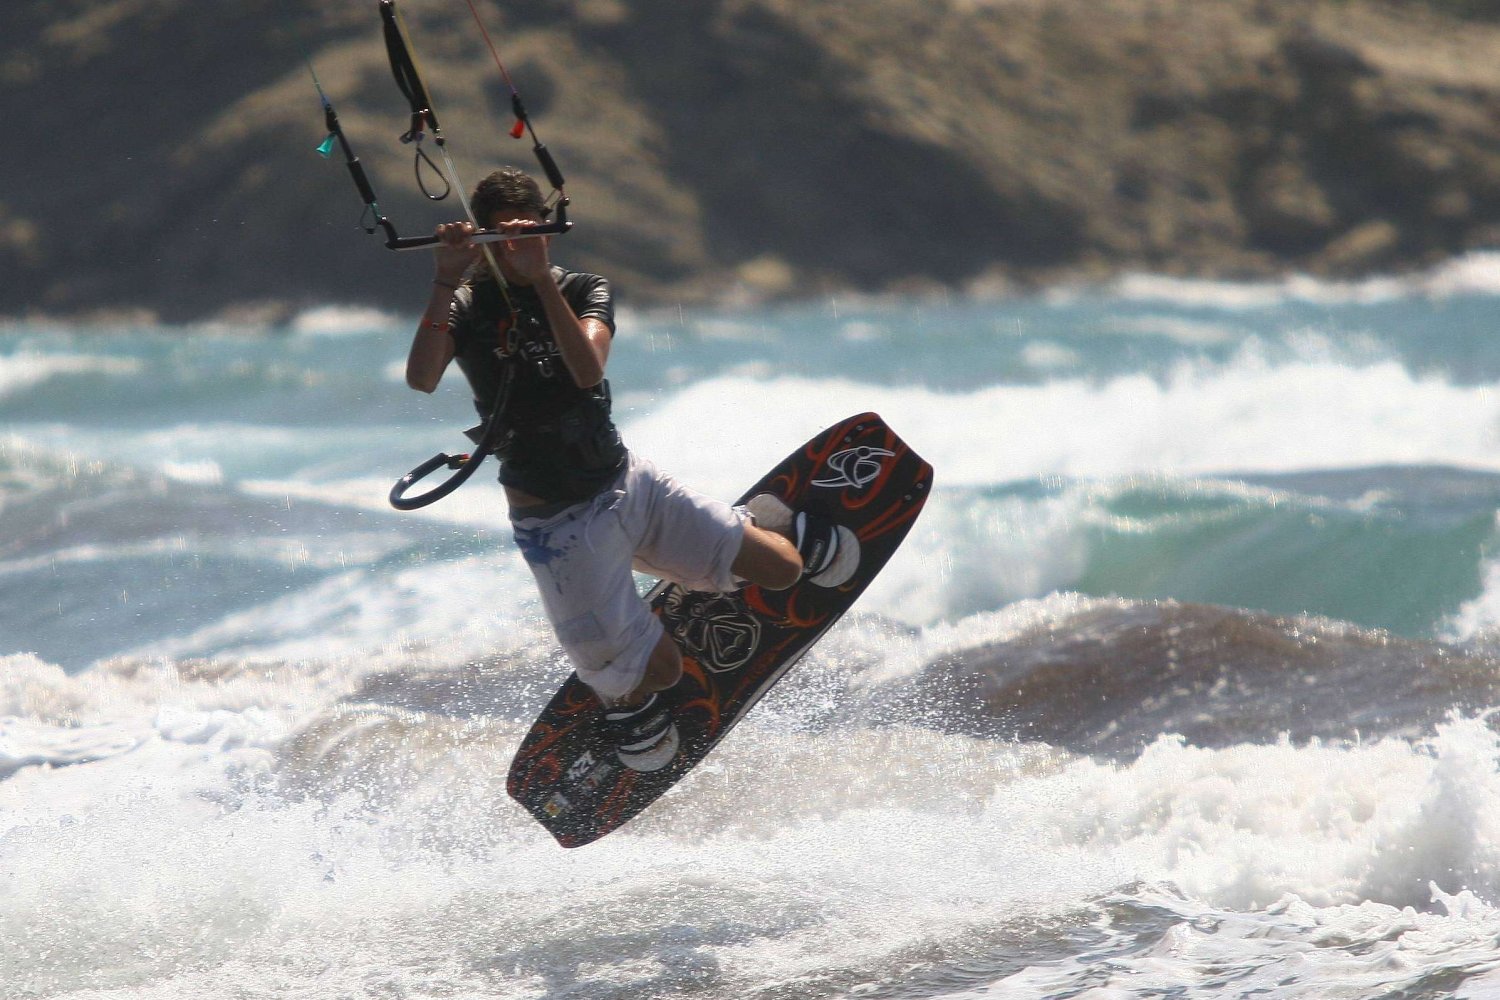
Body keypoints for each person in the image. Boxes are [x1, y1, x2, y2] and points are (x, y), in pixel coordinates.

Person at [404, 166, 856, 766]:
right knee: (663, 675)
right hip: (560, 529)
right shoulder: (465, 305)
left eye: (531, 231)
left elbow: (586, 371)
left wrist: (540, 283)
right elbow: (422, 378)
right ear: (485, 240)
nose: (519, 246)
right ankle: (622, 682)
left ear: (547, 228)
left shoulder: (583, 288)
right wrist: (442, 281)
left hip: (625, 483)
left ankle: (727, 538)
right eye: (503, 237)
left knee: (783, 568)